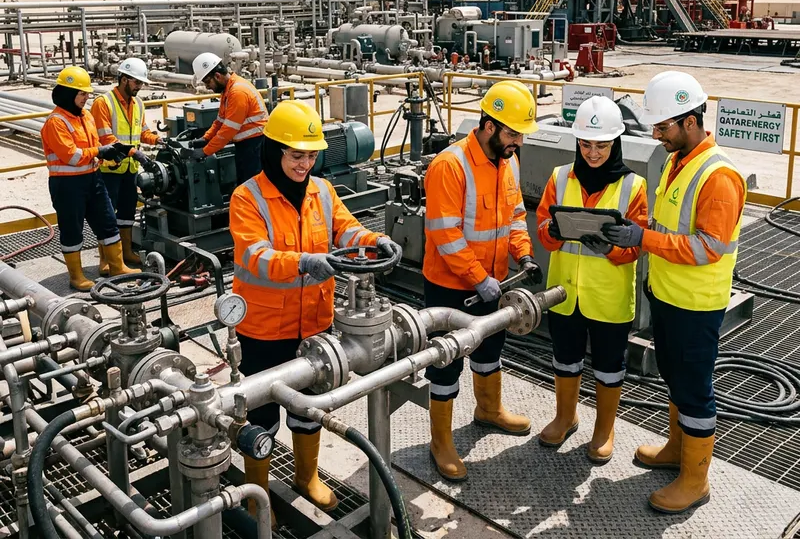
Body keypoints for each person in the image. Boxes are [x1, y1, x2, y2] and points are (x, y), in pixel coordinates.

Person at [229, 100, 401, 521]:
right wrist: (303, 262)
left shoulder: (322, 190)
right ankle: (257, 493)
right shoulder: (248, 197)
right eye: (295, 155)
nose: (304, 164)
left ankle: (306, 477)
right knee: (262, 416)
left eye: (310, 155)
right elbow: (255, 256)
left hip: (314, 326)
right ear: (274, 151)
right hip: (264, 329)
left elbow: (345, 228)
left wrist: (374, 240)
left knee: (310, 407)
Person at [602, 71, 745, 514]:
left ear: (690, 121)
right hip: (666, 296)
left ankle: (695, 480)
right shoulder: (676, 161)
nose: (656, 135)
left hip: (695, 306)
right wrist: (635, 229)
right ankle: (676, 450)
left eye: (663, 126)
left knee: (694, 388)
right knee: (674, 377)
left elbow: (707, 248)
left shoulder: (718, 176)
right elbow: (667, 225)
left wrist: (642, 239)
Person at [423, 79, 541, 481]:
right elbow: (445, 234)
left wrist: (523, 253)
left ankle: (488, 410)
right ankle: (441, 441)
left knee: (490, 351)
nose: (518, 142)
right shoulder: (450, 165)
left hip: (494, 283)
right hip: (450, 289)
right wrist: (478, 278)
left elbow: (515, 216)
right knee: (446, 363)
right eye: (513, 134)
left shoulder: (508, 162)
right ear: (489, 126)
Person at [536, 96, 647, 463]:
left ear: (616, 142)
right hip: (565, 294)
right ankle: (565, 417)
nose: (593, 153)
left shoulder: (634, 186)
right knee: (565, 359)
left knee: (609, 366)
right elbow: (543, 230)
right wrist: (552, 231)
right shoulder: (559, 177)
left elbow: (637, 247)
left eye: (602, 145)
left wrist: (613, 248)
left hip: (608, 297)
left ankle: (604, 429)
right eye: (586, 144)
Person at [40, 67, 135, 290]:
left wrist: (108, 155)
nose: (86, 98)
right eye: (82, 94)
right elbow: (72, 156)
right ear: (68, 93)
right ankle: (76, 277)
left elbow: (94, 145)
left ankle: (117, 266)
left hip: (93, 178)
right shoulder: (56, 122)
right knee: (72, 229)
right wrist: (100, 151)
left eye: (87, 94)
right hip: (67, 185)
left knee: (108, 221)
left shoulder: (86, 116)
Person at [91, 58, 163, 273]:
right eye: (137, 82)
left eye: (141, 83)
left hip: (130, 170)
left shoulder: (138, 103)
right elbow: (106, 139)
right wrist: (135, 152)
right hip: (109, 169)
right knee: (106, 215)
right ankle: (105, 260)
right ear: (124, 79)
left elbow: (142, 132)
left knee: (127, 213)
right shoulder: (103, 103)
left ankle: (126, 252)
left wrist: (158, 140)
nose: (140, 87)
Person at [189, 53, 267, 185]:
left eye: (207, 82)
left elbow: (228, 131)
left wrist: (205, 151)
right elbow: (220, 121)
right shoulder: (228, 90)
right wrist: (205, 138)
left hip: (255, 146)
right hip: (246, 146)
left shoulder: (238, 92)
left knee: (252, 186)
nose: (207, 87)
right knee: (245, 184)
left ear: (217, 76)